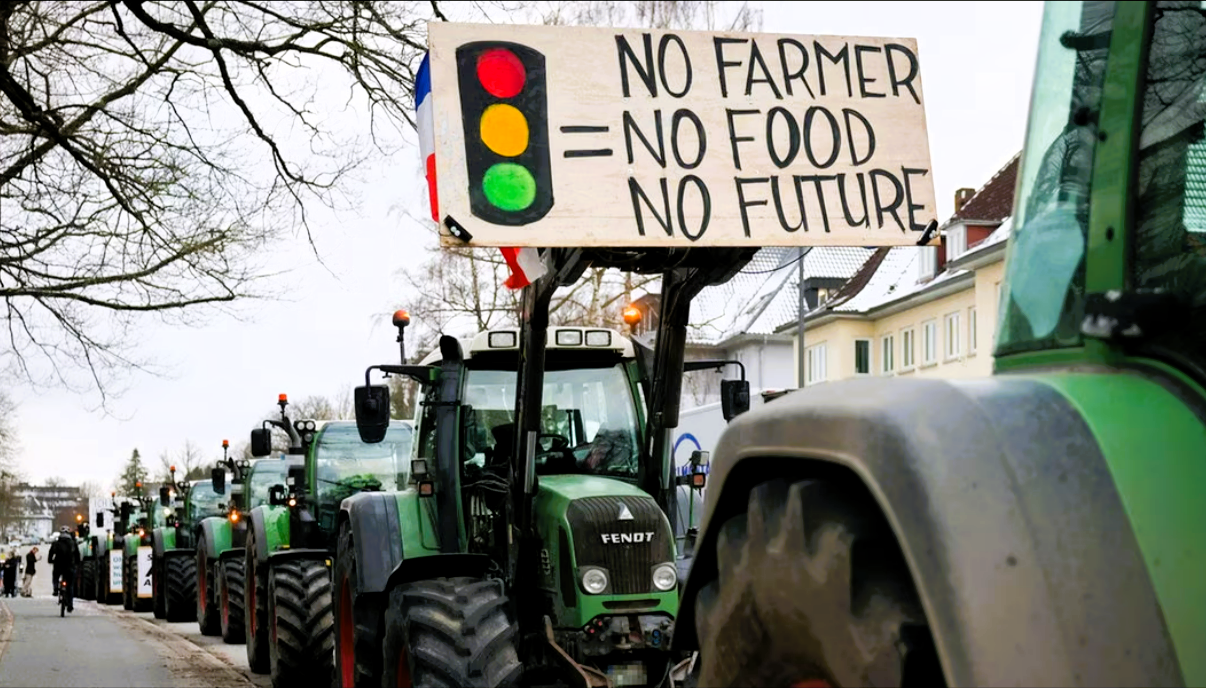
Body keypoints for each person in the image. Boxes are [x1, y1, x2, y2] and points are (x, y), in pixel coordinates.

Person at [47, 526, 80, 611]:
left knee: (55, 576)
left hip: (58, 565)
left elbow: (51, 553)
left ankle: (55, 589)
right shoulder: (73, 543)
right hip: (70, 566)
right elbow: (77, 555)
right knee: (70, 585)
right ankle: (70, 605)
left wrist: (50, 560)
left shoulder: (56, 543)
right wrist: (77, 563)